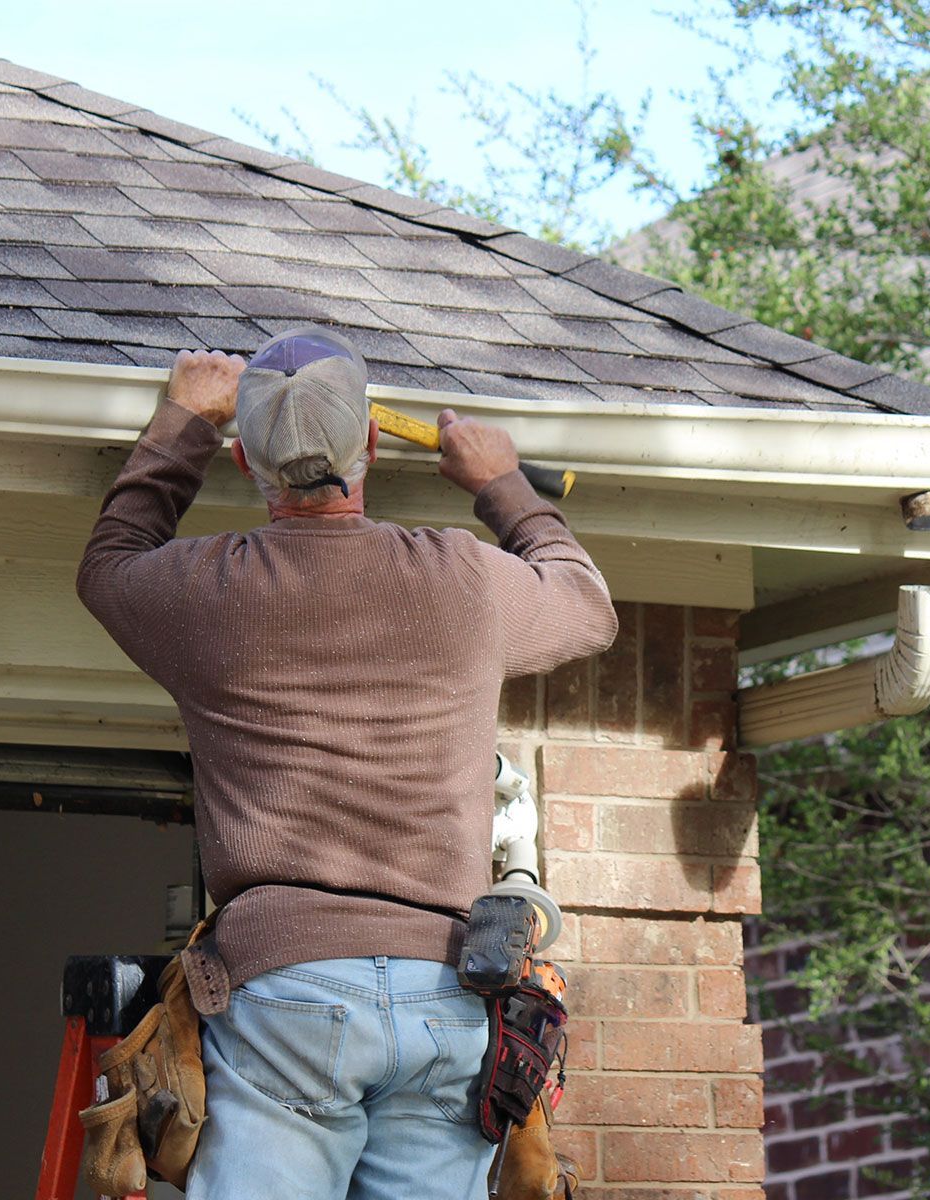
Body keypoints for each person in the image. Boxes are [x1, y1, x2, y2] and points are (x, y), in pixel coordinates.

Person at [76, 325, 617, 1200]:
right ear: (370, 441)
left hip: (289, 989)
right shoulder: (461, 580)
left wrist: (182, 425)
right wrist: (501, 483)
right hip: (449, 988)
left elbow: (107, 567)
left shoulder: (206, 591)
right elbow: (586, 604)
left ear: (246, 461)